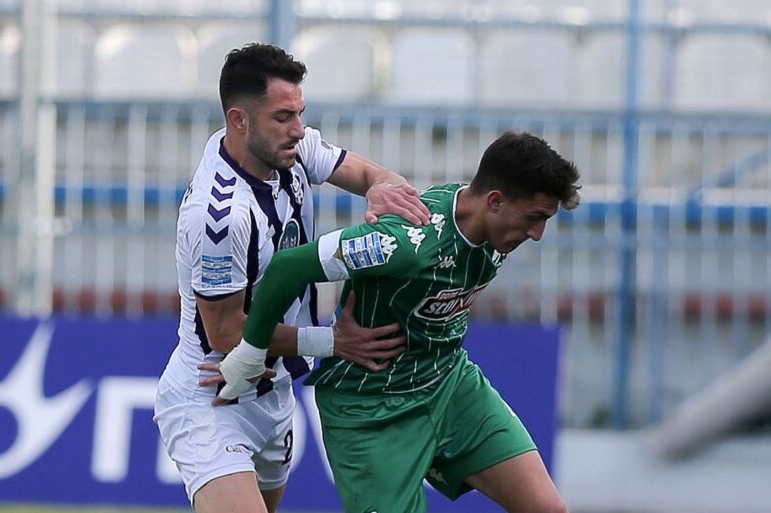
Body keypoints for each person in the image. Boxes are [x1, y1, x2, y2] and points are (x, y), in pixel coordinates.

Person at [207, 131, 581, 513]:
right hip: (371, 408)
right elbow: (288, 267)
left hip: (449, 385)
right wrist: (250, 354)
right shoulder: (404, 243)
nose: (537, 234)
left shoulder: (491, 227)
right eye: (534, 218)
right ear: (495, 201)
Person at [153, 43, 431, 513]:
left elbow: (364, 172)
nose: (299, 129)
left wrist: (382, 185)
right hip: (213, 394)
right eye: (283, 117)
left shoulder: (289, 148)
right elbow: (226, 332)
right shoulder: (218, 217)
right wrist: (332, 342)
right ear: (239, 120)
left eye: (300, 113)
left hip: (274, 390)